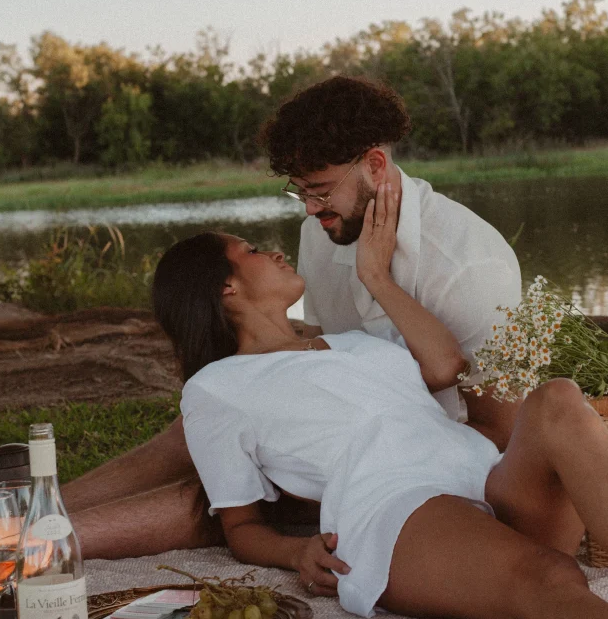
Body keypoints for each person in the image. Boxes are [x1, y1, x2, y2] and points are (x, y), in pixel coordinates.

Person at [149, 199, 608, 619]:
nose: (275, 251)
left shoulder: (352, 343)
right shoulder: (215, 389)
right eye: (251, 250)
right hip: (394, 508)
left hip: (480, 474)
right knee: (549, 581)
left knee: (557, 399)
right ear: (225, 287)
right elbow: (239, 527)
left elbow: (444, 363)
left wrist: (375, 276)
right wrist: (296, 552)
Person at [62, 77, 521, 536]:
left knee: (209, 495)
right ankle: (34, 511)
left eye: (318, 189)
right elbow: (317, 361)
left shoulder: (468, 263)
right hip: (341, 428)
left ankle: (45, 540)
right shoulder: (323, 231)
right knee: (199, 431)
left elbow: (500, 431)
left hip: (421, 454)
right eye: (299, 191)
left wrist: (344, 475)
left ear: (375, 165)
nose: (308, 209)